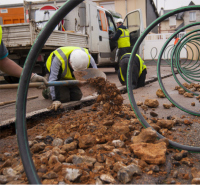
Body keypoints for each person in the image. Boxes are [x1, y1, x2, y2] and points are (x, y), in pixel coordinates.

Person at [44, 46, 97, 111]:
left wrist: (100, 93)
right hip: (58, 78)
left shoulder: (88, 58)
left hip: (71, 78)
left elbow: (96, 76)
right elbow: (53, 80)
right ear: (69, 61)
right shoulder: (58, 59)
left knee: (77, 96)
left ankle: (67, 88)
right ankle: (47, 91)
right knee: (63, 98)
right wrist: (56, 100)